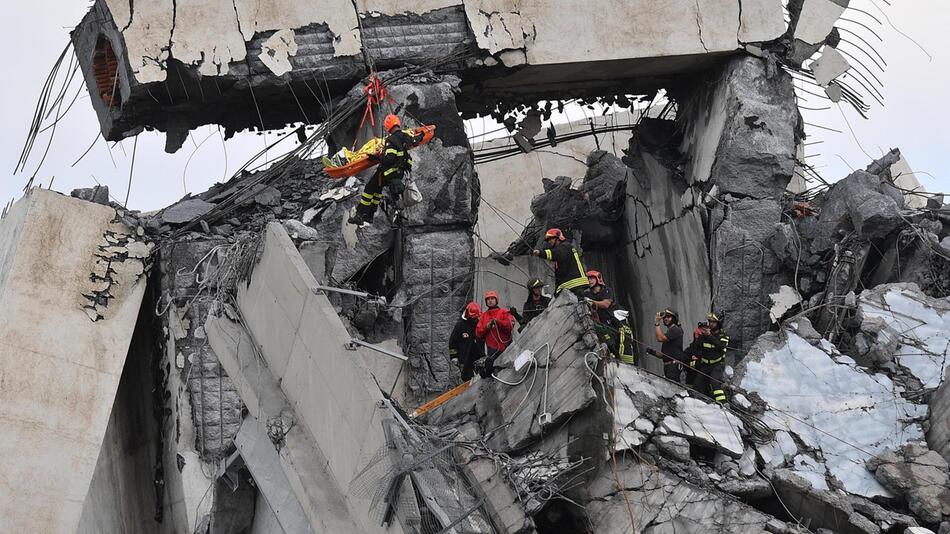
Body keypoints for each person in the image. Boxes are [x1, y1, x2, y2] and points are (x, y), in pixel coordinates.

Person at [348, 114, 425, 225]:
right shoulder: (406, 136)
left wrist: (376, 157)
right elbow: (415, 140)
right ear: (398, 123)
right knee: (377, 191)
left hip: (387, 173)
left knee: (369, 189)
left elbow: (389, 159)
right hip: (398, 173)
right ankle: (369, 216)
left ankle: (361, 215)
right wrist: (422, 134)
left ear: (388, 126)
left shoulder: (391, 140)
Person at [685, 312, 729, 403]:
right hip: (705, 365)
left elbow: (721, 347)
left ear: (719, 323)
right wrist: (700, 335)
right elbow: (696, 347)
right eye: (710, 321)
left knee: (715, 383)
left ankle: (724, 405)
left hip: (717, 365)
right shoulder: (704, 335)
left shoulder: (723, 336)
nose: (711, 324)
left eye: (714, 322)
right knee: (697, 385)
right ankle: (702, 405)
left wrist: (709, 336)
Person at [531, 228, 588, 296]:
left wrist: (541, 253)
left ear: (558, 238)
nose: (549, 241)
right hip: (570, 284)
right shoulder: (565, 247)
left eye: (551, 239)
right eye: (548, 240)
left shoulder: (565, 246)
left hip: (574, 284)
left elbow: (557, 254)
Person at [475, 291, 515, 377]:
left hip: (506, 347)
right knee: (492, 372)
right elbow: (478, 333)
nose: (490, 301)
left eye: (492, 298)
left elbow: (510, 326)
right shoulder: (483, 316)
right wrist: (487, 327)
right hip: (492, 349)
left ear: (496, 300)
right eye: (488, 299)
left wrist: (498, 322)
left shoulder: (504, 312)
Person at [647, 308, 687, 383]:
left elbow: (660, 338)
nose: (665, 319)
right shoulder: (670, 333)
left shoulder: (675, 330)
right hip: (669, 367)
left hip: (673, 368)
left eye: (668, 317)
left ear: (674, 318)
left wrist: (657, 323)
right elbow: (665, 355)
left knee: (673, 389)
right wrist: (652, 352)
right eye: (664, 317)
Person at [448, 302, 485, 381]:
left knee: (482, 377)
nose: (475, 319)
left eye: (476, 317)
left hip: (478, 356)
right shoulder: (460, 326)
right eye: (473, 317)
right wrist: (454, 357)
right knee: (467, 378)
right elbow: (452, 342)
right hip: (464, 358)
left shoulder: (478, 323)